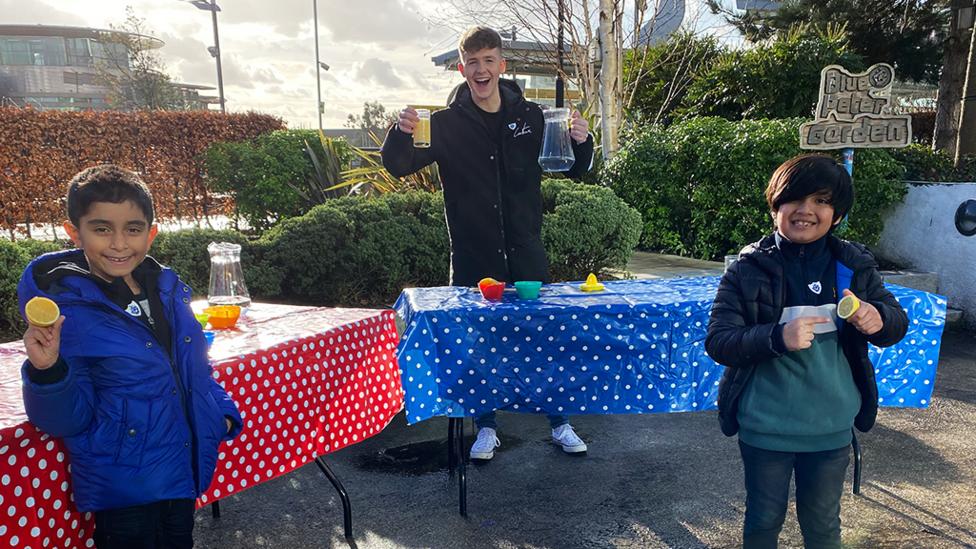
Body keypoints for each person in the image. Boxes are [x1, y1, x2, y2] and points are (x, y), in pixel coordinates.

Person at [382, 26, 594, 461]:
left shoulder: (533, 118)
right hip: (474, 259)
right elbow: (399, 166)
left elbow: (572, 168)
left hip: (527, 254)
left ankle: (560, 422)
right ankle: (485, 428)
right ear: (462, 69)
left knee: (544, 342)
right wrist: (400, 133)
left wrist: (581, 140)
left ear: (501, 65)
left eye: (489, 60)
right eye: (472, 62)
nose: (481, 70)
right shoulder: (441, 125)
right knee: (478, 349)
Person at [19, 165, 243, 548]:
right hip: (125, 487)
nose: (120, 243)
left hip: (181, 475)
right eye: (102, 228)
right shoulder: (69, 311)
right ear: (74, 232)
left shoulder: (165, 289)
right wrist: (47, 370)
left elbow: (193, 370)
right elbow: (66, 420)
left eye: (133, 229)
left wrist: (220, 415)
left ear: (151, 233)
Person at [705, 154, 908, 548]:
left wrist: (877, 318)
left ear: (837, 213)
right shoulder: (747, 270)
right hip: (765, 427)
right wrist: (777, 337)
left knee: (822, 524)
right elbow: (720, 340)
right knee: (763, 520)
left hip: (830, 428)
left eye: (821, 200)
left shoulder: (853, 264)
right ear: (775, 206)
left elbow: (895, 323)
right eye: (793, 199)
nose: (806, 211)